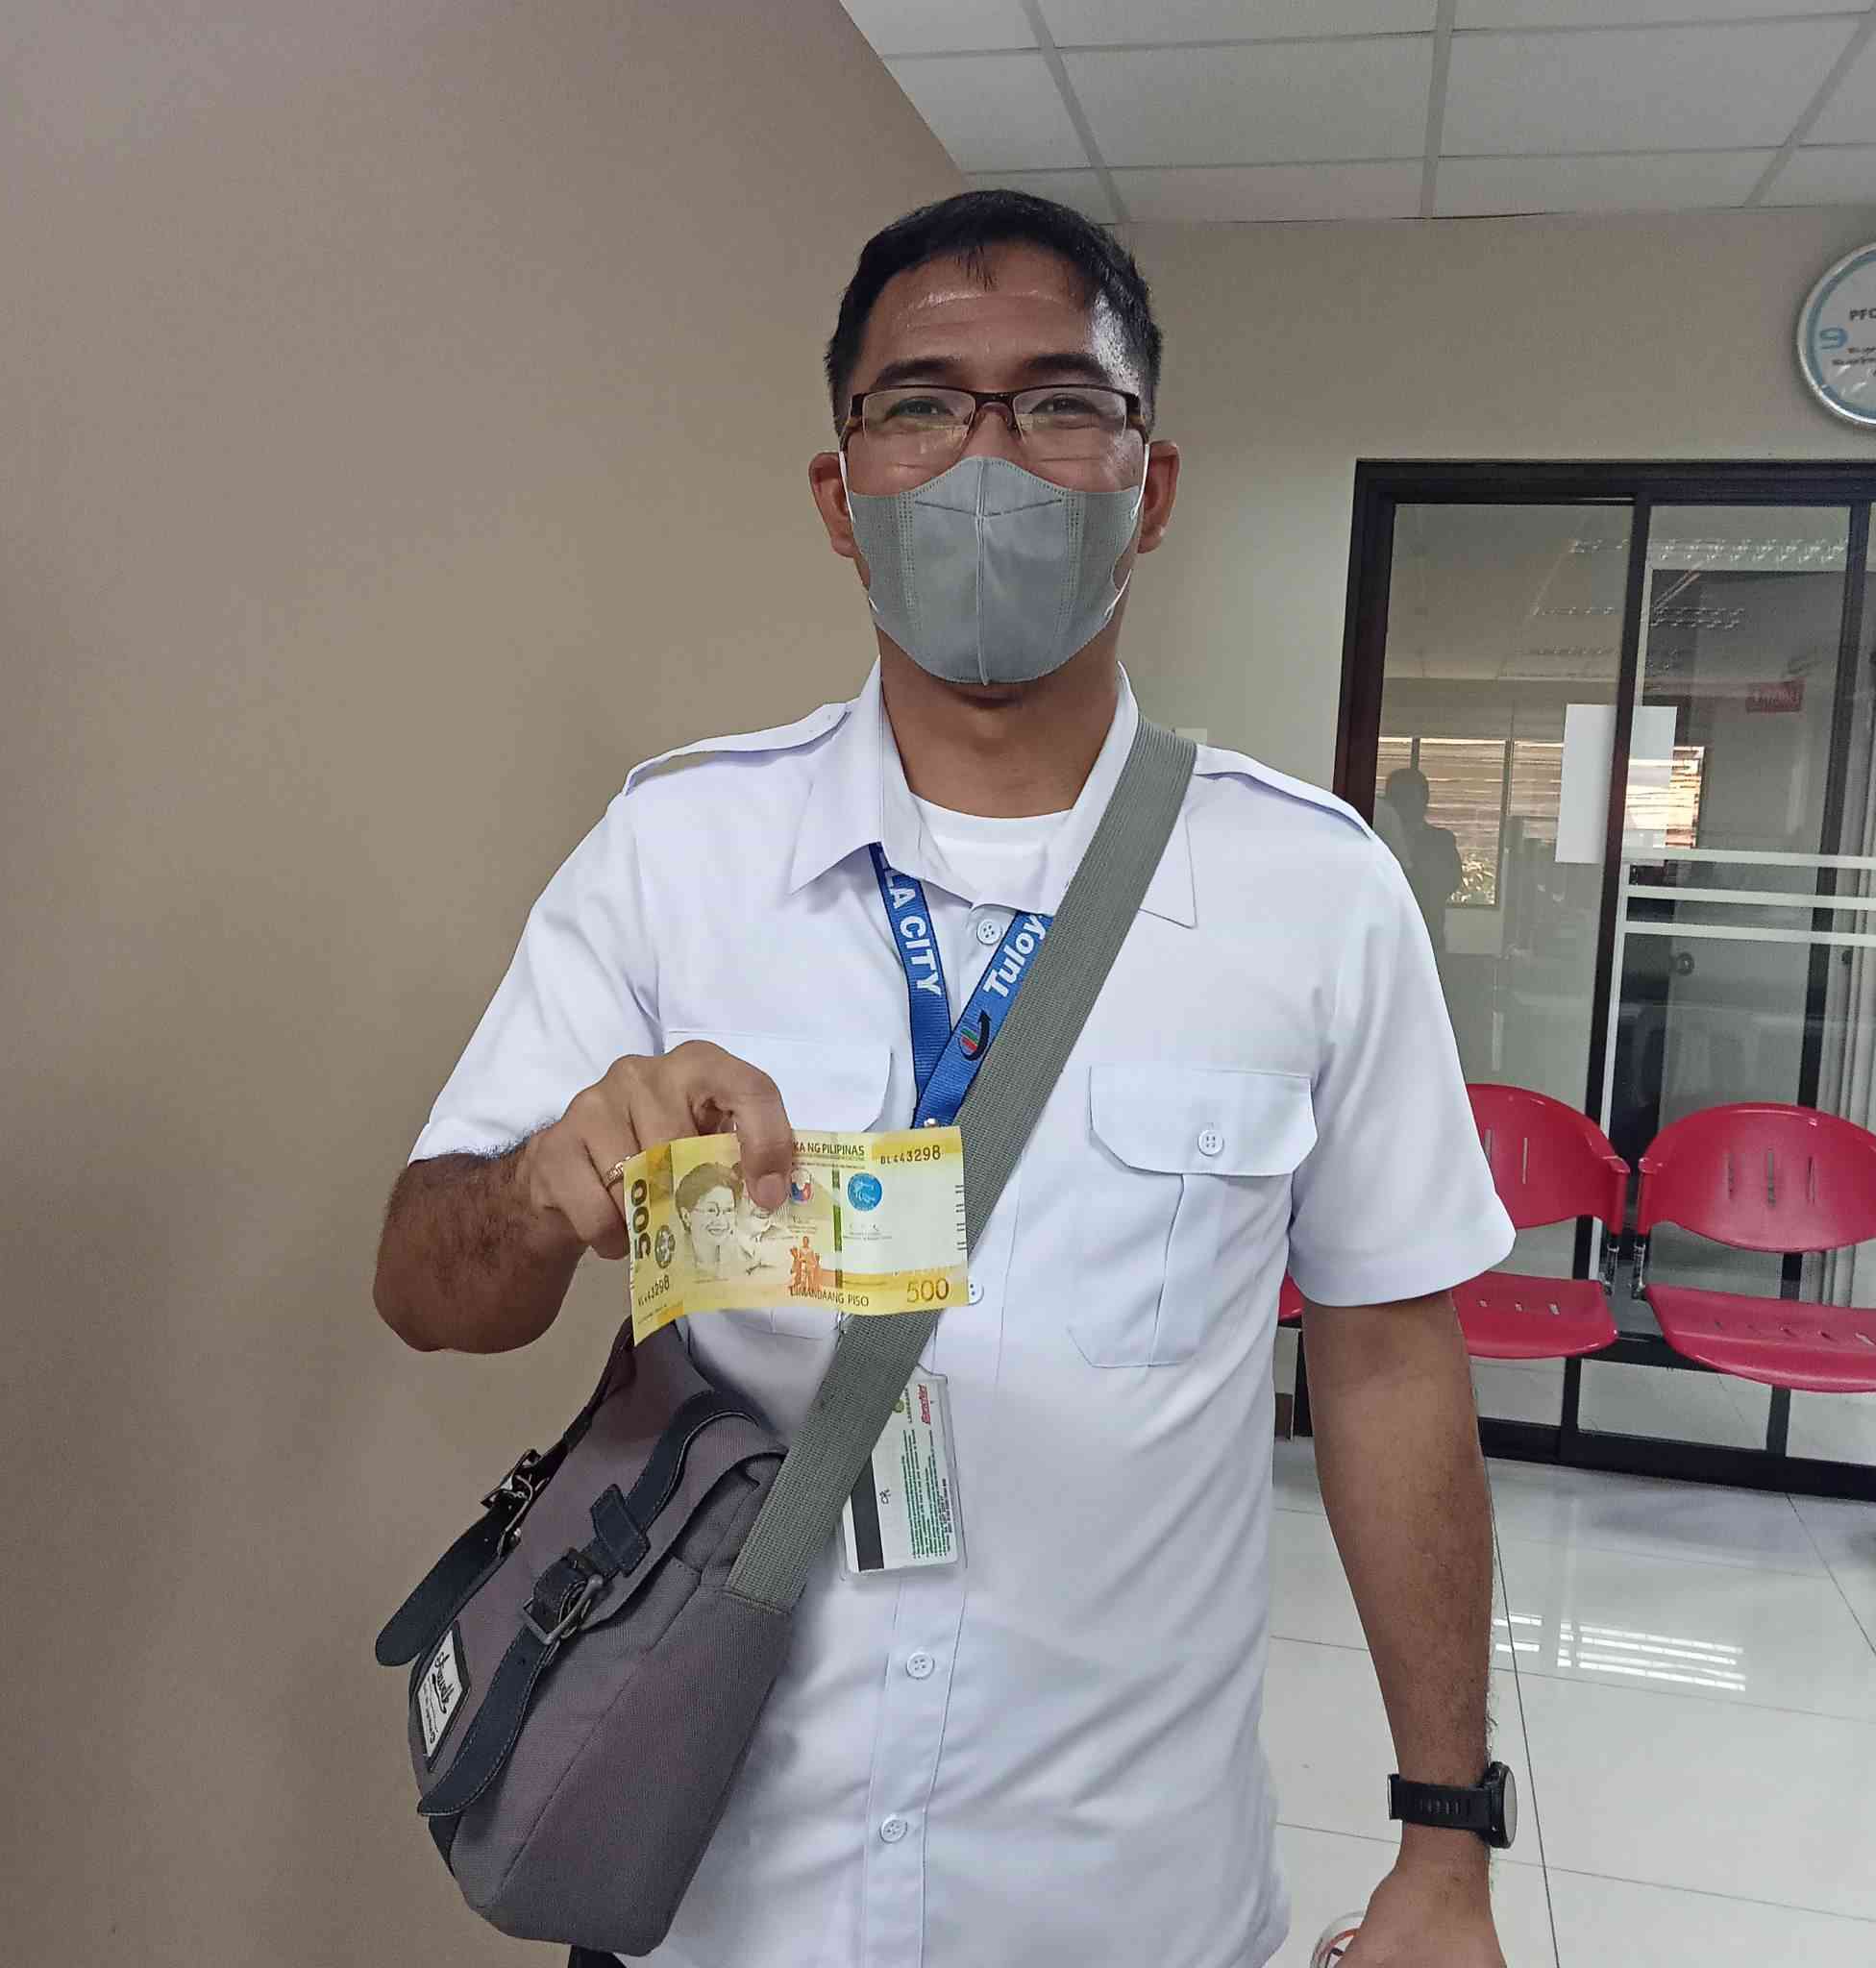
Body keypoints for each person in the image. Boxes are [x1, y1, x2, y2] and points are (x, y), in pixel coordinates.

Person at [374, 190, 1517, 1968]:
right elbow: (425, 1285)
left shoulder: (1314, 893)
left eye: (1059, 402)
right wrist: (537, 1191)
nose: (986, 457)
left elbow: (1387, 1363)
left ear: (1149, 483)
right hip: (714, 1890)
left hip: (1121, 1902)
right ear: (842, 494)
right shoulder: (677, 854)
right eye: (918, 405)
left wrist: (1447, 1842)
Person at [1380, 765, 1466, 957]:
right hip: (1384, 937)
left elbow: (1448, 883)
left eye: (1408, 797)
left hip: (1427, 934)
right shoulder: (1377, 840)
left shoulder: (1441, 841)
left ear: (1424, 800)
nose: (1402, 804)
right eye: (1396, 797)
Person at [674, 1160, 742, 1282]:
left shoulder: (745, 1259)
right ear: (686, 1216)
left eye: (728, 1210)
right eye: (711, 1210)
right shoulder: (675, 1267)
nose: (721, 1221)